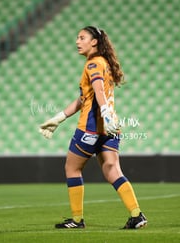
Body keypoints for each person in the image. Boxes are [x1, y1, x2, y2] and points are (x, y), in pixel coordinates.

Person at [39, 26, 147, 229]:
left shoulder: (92, 65)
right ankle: (136, 215)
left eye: (82, 38)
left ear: (94, 41)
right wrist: (59, 117)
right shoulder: (104, 63)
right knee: (112, 170)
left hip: (91, 128)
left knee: (72, 168)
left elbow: (98, 90)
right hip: (111, 128)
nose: (77, 42)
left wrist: (104, 114)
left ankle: (77, 220)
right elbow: (84, 98)